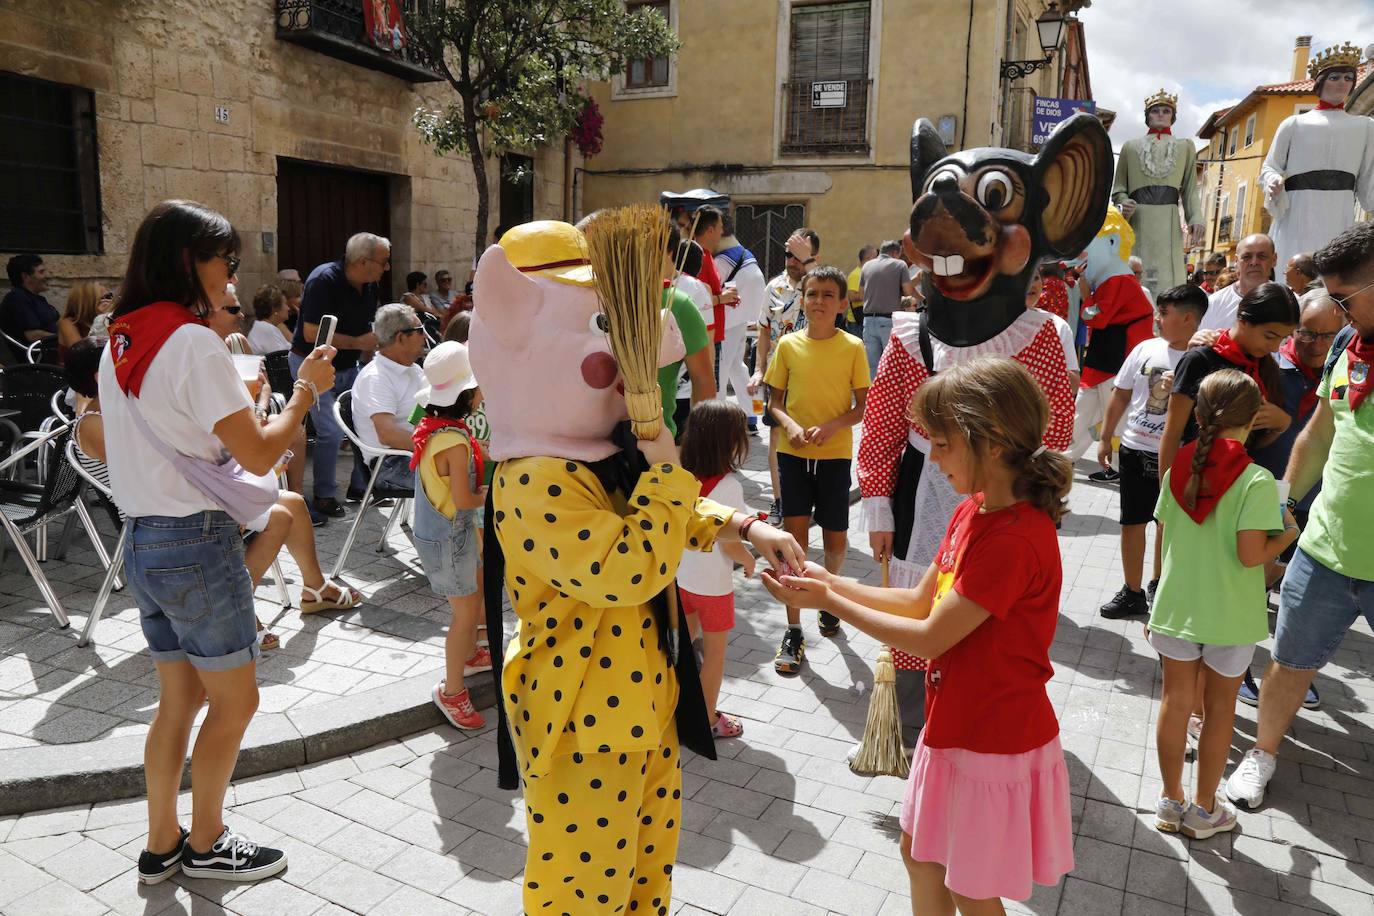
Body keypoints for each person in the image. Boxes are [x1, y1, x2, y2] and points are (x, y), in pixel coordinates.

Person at [467, 220, 807, 914]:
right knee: (584, 893)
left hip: (645, 706)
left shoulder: (602, 454)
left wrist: (740, 524)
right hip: (583, 717)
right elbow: (630, 566)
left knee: (646, 878)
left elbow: (653, 515)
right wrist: (668, 469)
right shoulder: (534, 479)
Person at [761, 357, 1075, 911]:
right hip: (954, 721)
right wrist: (830, 579)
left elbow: (929, 637)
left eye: (944, 443)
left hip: (991, 738)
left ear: (994, 443)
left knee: (969, 888)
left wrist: (829, 601)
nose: (931, 457)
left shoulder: (1015, 538)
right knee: (920, 854)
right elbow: (918, 600)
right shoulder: (974, 511)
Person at [100, 199, 336, 884]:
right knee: (235, 700)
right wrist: (304, 395)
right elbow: (262, 456)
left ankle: (161, 842)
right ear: (187, 262)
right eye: (224, 264)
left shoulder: (124, 335)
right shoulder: (193, 342)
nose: (232, 278)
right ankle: (206, 843)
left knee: (181, 698)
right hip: (195, 541)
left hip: (142, 538)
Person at [1225, 221, 1374, 811]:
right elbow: (1318, 434)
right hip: (1325, 547)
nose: (1335, 312)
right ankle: (1261, 756)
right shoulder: (1346, 346)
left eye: (1344, 298)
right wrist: (1283, 502)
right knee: (1289, 662)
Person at [1150, 370, 1297, 838]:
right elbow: (1251, 554)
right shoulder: (1256, 481)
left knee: (1175, 705)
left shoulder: (1178, 468)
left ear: (1197, 414)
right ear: (1254, 418)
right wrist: (1290, 532)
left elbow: (1164, 535)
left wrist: (1154, 595)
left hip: (1175, 608)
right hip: (1231, 616)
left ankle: (1170, 802)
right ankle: (1204, 809)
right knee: (1219, 713)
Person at [763, 266, 869, 674]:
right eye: (812, 294)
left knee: (835, 536)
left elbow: (861, 407)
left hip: (835, 454)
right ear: (801, 299)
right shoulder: (788, 345)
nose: (820, 301)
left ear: (843, 303)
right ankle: (793, 627)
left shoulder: (852, 347)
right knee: (793, 537)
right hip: (792, 454)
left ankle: (828, 599)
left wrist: (831, 426)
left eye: (828, 294)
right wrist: (789, 426)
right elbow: (775, 402)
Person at [1096, 285, 1207, 619]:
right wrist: (1105, 437)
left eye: (1165, 313)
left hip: (1179, 456)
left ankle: (1160, 587)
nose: (1158, 319)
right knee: (1132, 523)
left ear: (1189, 318)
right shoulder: (1145, 348)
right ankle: (1132, 592)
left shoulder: (1204, 357)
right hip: (1134, 449)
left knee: (1166, 525)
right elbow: (1121, 395)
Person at [411, 341, 491, 730]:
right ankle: (452, 689)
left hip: (445, 536)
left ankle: (471, 654)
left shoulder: (437, 431)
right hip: (451, 539)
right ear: (465, 395)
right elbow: (464, 499)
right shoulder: (455, 442)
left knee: (470, 603)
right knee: (463, 615)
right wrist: (490, 494)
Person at [1159, 282, 1302, 478]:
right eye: (1270, 336)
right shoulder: (1200, 359)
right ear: (1243, 320)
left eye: (1284, 339)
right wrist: (1165, 495)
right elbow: (1172, 433)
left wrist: (1280, 426)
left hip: (1237, 483)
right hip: (1192, 479)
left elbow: (1250, 443)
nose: (1276, 347)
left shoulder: (1265, 369)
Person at [289, 233, 387, 517]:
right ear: (363, 261)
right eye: (383, 261)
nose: (387, 267)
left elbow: (367, 330)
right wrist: (358, 344)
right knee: (331, 432)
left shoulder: (369, 285)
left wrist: (369, 363)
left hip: (349, 365)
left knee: (365, 422)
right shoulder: (323, 280)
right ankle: (324, 496)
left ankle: (362, 488)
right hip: (312, 363)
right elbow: (310, 333)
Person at [676, 399, 757, 739]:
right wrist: (750, 559)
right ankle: (707, 720)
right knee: (714, 656)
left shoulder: (679, 474)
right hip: (714, 587)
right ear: (730, 442)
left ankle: (673, 710)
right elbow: (731, 541)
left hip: (681, 580)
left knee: (681, 649)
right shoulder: (730, 487)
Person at [1261, 42, 1374, 273]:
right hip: (1298, 211)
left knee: (1333, 272)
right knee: (1294, 270)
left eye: (1347, 77)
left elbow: (1368, 176)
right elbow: (1269, 167)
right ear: (1320, 82)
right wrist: (1273, 181)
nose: (1342, 82)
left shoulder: (1366, 126)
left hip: (1339, 210)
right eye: (1334, 77)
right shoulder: (1294, 124)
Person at [751, 230, 817, 522]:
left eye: (798, 254)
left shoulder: (818, 285)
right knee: (777, 437)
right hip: (779, 377)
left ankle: (804, 498)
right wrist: (758, 369)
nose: (791, 260)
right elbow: (764, 331)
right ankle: (780, 501)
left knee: (807, 437)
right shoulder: (774, 287)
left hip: (811, 376)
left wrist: (810, 264)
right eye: (788, 253)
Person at [1112, 89, 1203, 294]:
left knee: (1167, 277)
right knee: (1137, 272)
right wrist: (1123, 203)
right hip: (1138, 218)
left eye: (1166, 111)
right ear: (1147, 116)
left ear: (1172, 117)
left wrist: (1196, 218)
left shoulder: (1185, 146)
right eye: (1155, 111)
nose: (1161, 114)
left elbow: (1190, 189)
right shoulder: (1130, 147)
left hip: (1168, 221)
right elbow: (1118, 189)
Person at [349, 302, 427, 492]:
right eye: (420, 330)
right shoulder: (376, 378)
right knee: (461, 476)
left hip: (412, 454)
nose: (425, 336)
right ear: (401, 337)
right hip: (390, 464)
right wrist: (440, 448)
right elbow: (388, 435)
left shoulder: (414, 369)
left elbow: (429, 411)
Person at [711, 213, 765, 430]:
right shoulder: (743, 251)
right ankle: (754, 413)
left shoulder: (722, 259)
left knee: (720, 367)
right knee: (736, 365)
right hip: (742, 316)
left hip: (729, 318)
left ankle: (719, 421)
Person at [1199, 234, 1277, 332]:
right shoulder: (1213, 303)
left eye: (1262, 256)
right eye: (1246, 257)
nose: (1254, 262)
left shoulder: (1289, 303)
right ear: (1236, 261)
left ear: (1274, 259)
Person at [858, 240, 913, 379]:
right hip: (888, 321)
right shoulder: (900, 265)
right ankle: (888, 398)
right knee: (891, 365)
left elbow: (860, 294)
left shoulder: (866, 266)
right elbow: (908, 291)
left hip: (868, 321)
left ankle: (873, 398)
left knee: (872, 366)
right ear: (895, 252)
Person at [1026, 270, 1080, 391]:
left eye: (1035, 278)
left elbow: (1074, 385)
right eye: (1023, 277)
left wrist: (1047, 362)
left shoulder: (1058, 326)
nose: (1031, 284)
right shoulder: (989, 325)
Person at [1, 253, 57, 359]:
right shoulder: (17, 299)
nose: (46, 276)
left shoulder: (38, 299)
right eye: (41, 272)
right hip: (39, 357)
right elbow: (32, 335)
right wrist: (64, 339)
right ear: (25, 276)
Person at [56, 281, 107, 362]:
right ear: (88, 302)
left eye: (110, 296)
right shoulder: (67, 323)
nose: (109, 301)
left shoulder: (107, 319)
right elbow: (82, 355)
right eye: (104, 298)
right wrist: (100, 321)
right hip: (75, 371)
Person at [246, 285, 293, 355]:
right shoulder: (266, 329)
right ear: (275, 308)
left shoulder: (266, 327)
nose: (288, 308)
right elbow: (284, 358)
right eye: (285, 304)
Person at [846, 244, 877, 335]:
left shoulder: (868, 273)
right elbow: (851, 296)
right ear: (869, 258)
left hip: (865, 317)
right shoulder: (856, 274)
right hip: (856, 320)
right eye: (875, 258)